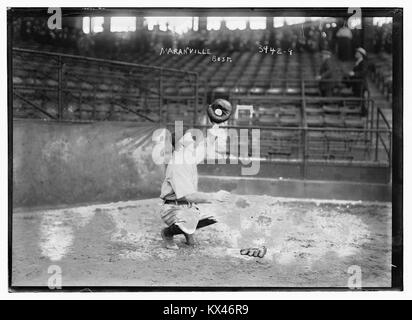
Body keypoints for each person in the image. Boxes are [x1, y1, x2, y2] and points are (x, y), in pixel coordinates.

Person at [159, 127, 231, 250]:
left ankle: (188, 230)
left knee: (219, 213)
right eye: (190, 142)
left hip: (188, 206)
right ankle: (168, 232)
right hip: (172, 208)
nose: (194, 143)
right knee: (188, 220)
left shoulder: (188, 157)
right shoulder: (177, 164)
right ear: (181, 145)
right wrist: (214, 196)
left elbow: (204, 147)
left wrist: (215, 129)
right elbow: (188, 196)